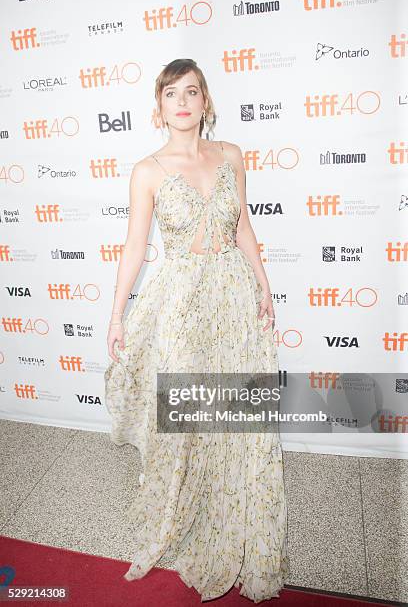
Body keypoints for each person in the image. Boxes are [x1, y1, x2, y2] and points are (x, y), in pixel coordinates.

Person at [104, 58, 289, 602]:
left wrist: (264, 284)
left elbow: (244, 226)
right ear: (158, 105)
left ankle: (235, 512)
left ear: (206, 101)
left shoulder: (230, 155)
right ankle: (185, 508)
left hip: (234, 292)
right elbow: (135, 249)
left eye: (191, 92)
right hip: (184, 298)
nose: (181, 102)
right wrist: (116, 314)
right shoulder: (148, 170)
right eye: (170, 94)